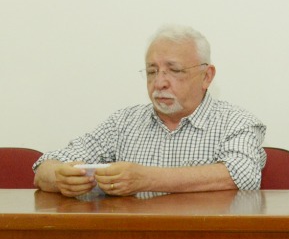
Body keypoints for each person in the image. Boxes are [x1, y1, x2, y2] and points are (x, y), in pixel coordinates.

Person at [34, 25, 266, 196]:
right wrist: (59, 177)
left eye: (173, 70)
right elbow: (44, 166)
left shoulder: (237, 122)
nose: (159, 83)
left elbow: (243, 175)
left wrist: (145, 179)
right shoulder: (123, 122)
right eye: (152, 71)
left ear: (206, 76)